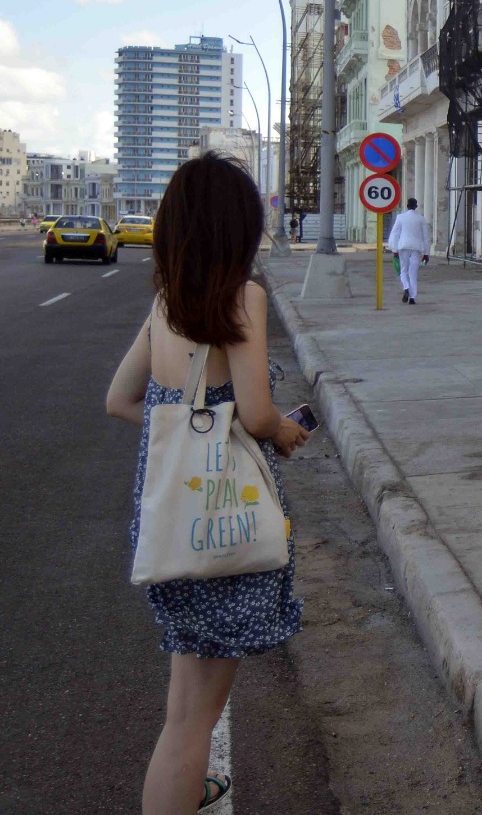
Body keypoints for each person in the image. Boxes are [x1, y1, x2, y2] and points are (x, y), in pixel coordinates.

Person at [105, 153, 310, 814]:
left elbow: (120, 399)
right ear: (237, 228)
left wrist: (185, 434)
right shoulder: (241, 298)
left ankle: (187, 788)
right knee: (194, 723)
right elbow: (255, 413)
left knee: (183, 710)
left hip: (172, 523)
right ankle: (180, 789)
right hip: (223, 528)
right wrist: (283, 431)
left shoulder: (165, 305)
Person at [386, 197, 430, 305]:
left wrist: (394, 249)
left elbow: (395, 233)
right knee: (413, 273)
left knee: (403, 271)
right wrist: (426, 253)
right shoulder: (421, 219)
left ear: (407, 206)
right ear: (416, 206)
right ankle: (412, 297)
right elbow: (426, 237)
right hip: (416, 248)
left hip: (403, 247)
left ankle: (406, 288)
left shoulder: (400, 217)